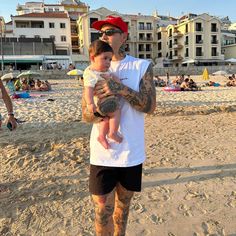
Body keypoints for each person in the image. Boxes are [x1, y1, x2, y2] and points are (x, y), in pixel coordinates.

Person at [82, 16, 156, 235]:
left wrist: (119, 88)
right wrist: (98, 111)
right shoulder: (93, 69)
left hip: (130, 152)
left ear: (124, 37)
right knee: (102, 209)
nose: (103, 36)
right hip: (102, 154)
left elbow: (150, 106)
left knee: (122, 209)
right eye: (101, 33)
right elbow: (86, 116)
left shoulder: (141, 66)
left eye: (110, 31)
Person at [83, 39, 122, 149]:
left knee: (104, 119)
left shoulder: (104, 71)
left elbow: (112, 77)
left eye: (110, 59)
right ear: (92, 58)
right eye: (105, 58)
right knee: (116, 112)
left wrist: (116, 81)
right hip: (101, 102)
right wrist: (90, 103)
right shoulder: (90, 73)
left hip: (104, 102)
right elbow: (88, 89)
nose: (108, 62)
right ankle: (112, 133)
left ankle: (101, 136)